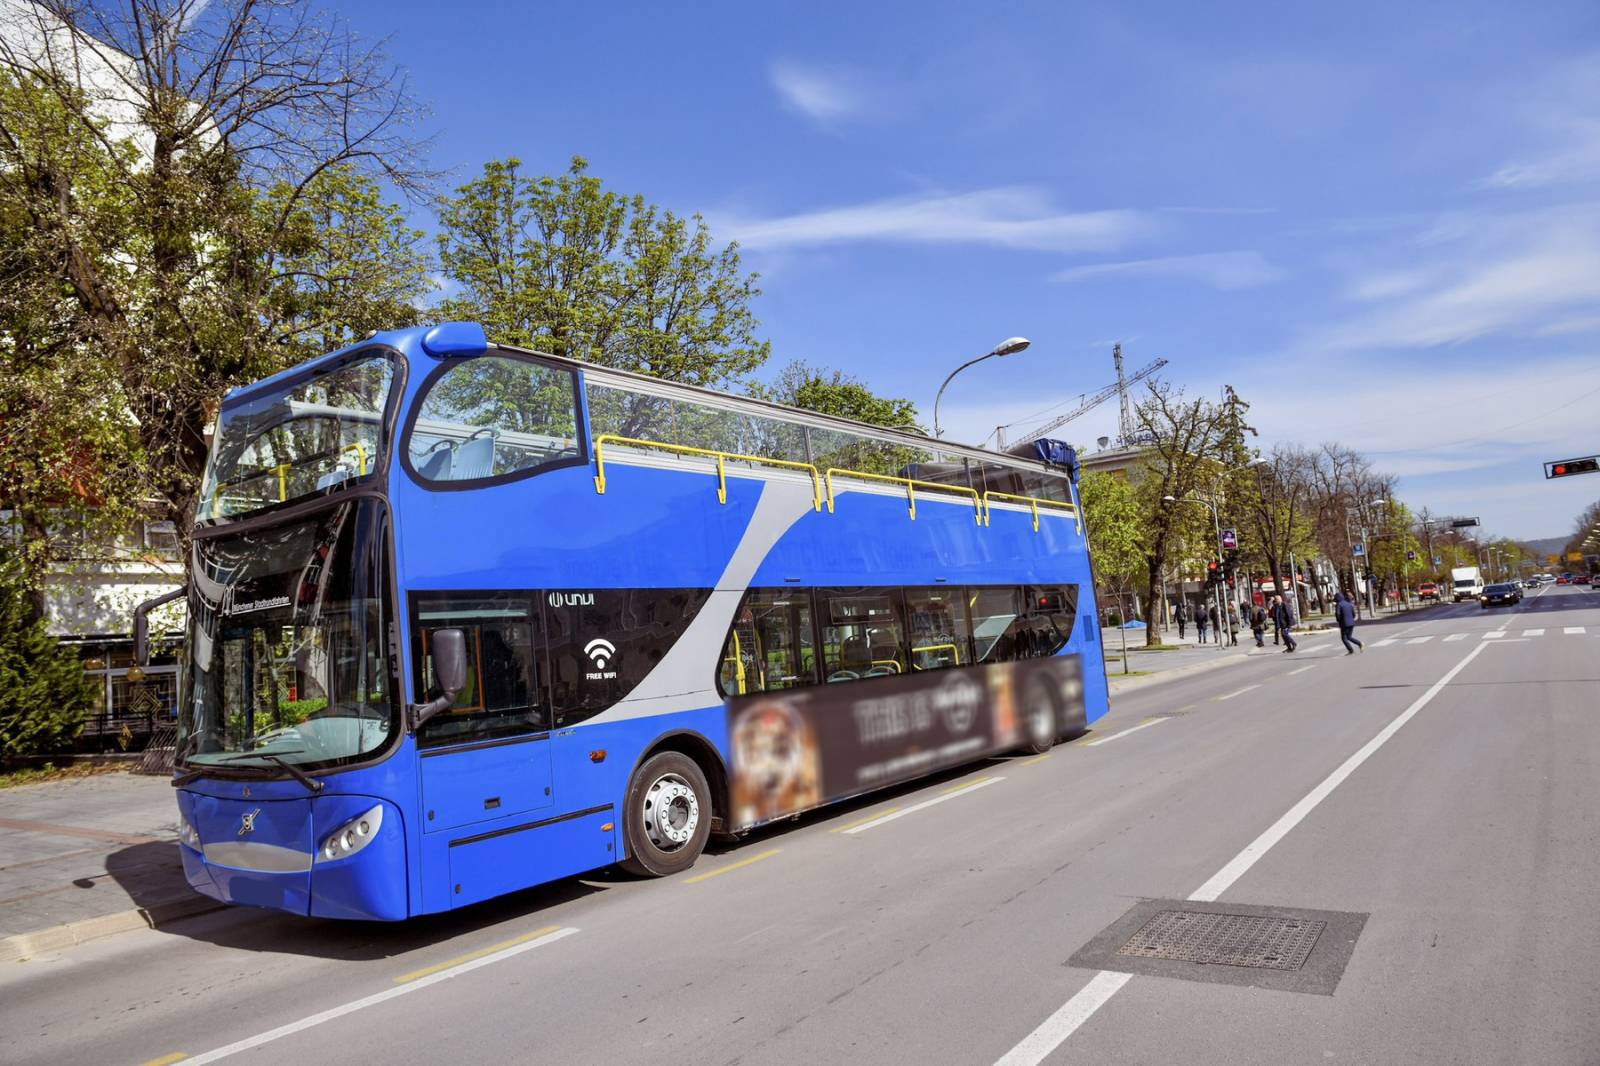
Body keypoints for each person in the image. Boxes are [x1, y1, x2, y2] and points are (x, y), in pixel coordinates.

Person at [1335, 590, 1364, 655]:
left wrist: (1338, 620)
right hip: (1351, 623)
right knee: (1349, 637)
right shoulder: (1348, 603)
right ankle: (1360, 644)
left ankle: (1351, 650)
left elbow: (1338, 614)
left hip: (1344, 624)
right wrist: (1351, 619)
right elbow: (1353, 614)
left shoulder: (1339, 604)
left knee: (1344, 638)